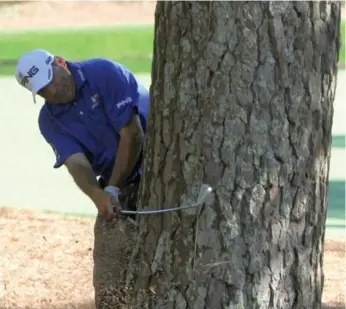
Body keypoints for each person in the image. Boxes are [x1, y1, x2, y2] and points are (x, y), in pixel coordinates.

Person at [15, 49, 149, 308]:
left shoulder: (102, 72)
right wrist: (99, 196)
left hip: (159, 155)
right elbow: (76, 163)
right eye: (43, 91)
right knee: (109, 252)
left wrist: (111, 189)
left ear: (61, 63)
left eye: (52, 80)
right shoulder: (49, 121)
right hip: (119, 180)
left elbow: (133, 134)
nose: (52, 92)